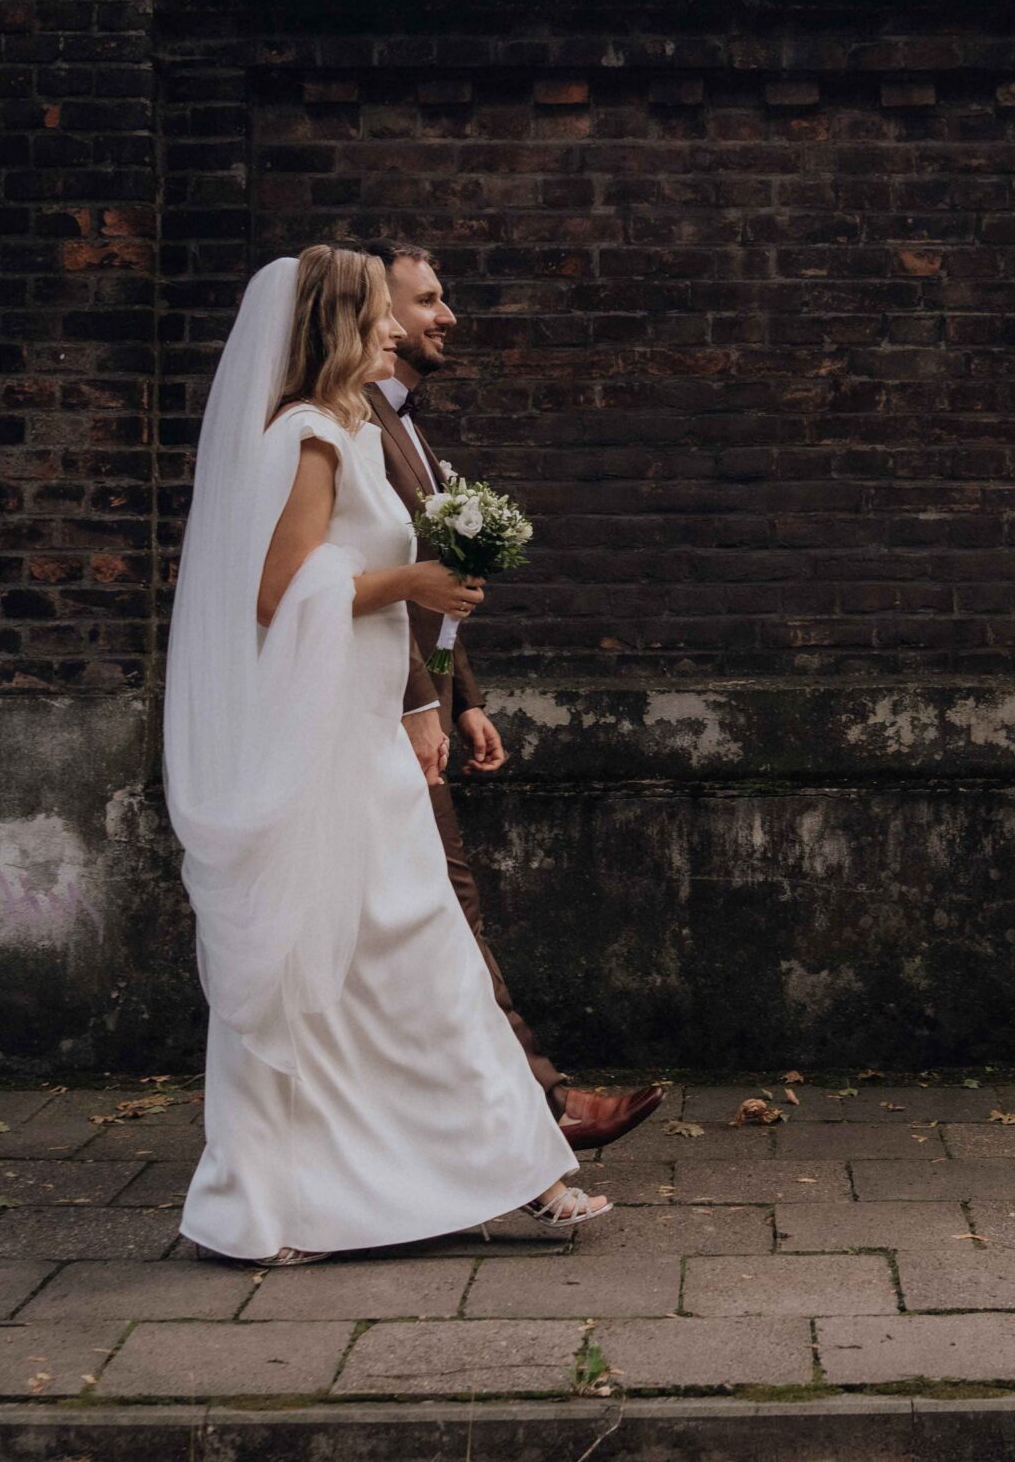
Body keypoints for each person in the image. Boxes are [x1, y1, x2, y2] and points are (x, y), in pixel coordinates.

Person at [161, 246, 610, 1266]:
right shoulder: (309, 437)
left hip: (366, 734)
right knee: (329, 970)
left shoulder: (357, 432)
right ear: (337, 327)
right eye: (378, 317)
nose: (395, 331)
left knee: (421, 959)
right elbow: (279, 593)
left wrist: (424, 679)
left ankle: (518, 1173)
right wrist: (410, 583)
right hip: (323, 749)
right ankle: (265, 1204)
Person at [361, 239, 665, 1152]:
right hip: (376, 710)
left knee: (433, 909)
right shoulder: (354, 425)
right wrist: (419, 703)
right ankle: (540, 1104)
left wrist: (462, 694)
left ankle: (465, 1111)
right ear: (377, 312)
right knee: (445, 904)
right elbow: (372, 585)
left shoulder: (406, 424)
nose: (445, 315)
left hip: (418, 702)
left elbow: (429, 587)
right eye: (426, 299)